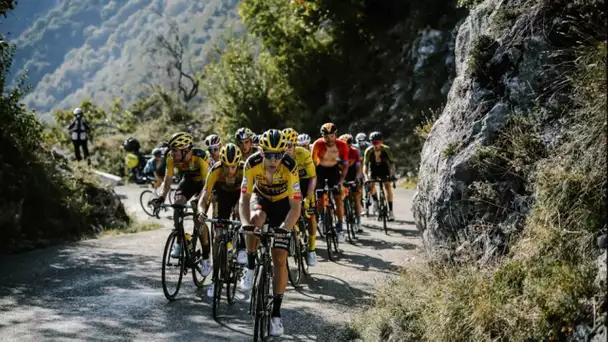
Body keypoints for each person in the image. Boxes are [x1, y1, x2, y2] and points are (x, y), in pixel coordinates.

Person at [239, 129, 301, 337]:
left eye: (278, 155)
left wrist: (285, 229)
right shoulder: (251, 163)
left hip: (284, 205)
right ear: (261, 152)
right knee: (255, 220)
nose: (274, 160)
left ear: (284, 153)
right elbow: (244, 199)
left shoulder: (291, 166)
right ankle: (249, 266)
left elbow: (295, 206)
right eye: (269, 154)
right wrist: (245, 223)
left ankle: (276, 314)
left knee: (280, 258)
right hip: (262, 199)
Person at [155, 132, 212, 277]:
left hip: (204, 184)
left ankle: (206, 257)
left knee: (196, 211)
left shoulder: (200, 156)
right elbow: (168, 180)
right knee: (177, 202)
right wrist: (161, 197)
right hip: (188, 181)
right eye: (171, 150)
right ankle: (179, 241)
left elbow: (207, 185)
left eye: (175, 150)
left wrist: (199, 201)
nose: (171, 153)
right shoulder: (171, 158)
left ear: (185, 150)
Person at [197, 143, 246, 297]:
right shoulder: (216, 170)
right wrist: (200, 211)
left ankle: (241, 246)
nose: (231, 171)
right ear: (222, 163)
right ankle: (214, 280)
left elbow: (252, 195)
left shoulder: (244, 169)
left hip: (239, 196)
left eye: (234, 167)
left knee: (239, 210)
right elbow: (204, 196)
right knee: (218, 236)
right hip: (222, 197)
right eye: (227, 167)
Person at [283, 128, 318, 265]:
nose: (287, 149)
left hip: (305, 182)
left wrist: (308, 197)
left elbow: (313, 177)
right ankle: (294, 233)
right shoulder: (279, 156)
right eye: (284, 146)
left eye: (290, 145)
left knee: (311, 215)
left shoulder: (303, 154)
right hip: (289, 184)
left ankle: (312, 249)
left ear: (295, 145)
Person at [311, 123, 350, 242]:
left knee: (338, 198)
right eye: (326, 137)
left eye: (332, 136)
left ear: (336, 135)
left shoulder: (342, 145)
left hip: (334, 170)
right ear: (322, 136)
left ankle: (340, 226)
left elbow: (345, 165)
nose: (330, 139)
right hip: (320, 170)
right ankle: (322, 218)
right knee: (319, 196)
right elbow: (312, 164)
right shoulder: (317, 144)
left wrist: (341, 181)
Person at [363, 132, 397, 221]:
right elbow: (365, 165)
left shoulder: (386, 149)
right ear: (371, 143)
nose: (376, 145)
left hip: (384, 169)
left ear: (381, 142)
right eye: (374, 143)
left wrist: (393, 175)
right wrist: (366, 177)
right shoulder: (368, 151)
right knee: (370, 185)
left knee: (387, 187)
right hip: (373, 169)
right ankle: (375, 201)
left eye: (378, 143)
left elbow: (392, 163)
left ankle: (391, 211)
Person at [339, 134, 364, 233]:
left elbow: (358, 168)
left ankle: (358, 222)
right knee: (340, 197)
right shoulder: (337, 153)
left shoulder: (354, 151)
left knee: (357, 198)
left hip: (353, 176)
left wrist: (357, 178)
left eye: (348, 145)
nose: (346, 148)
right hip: (342, 176)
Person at [354, 132, 372, 215]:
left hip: (368, 164)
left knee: (369, 183)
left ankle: (372, 197)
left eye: (363, 141)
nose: (361, 144)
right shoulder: (355, 147)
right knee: (359, 185)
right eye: (359, 142)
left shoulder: (369, 146)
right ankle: (361, 203)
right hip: (360, 166)